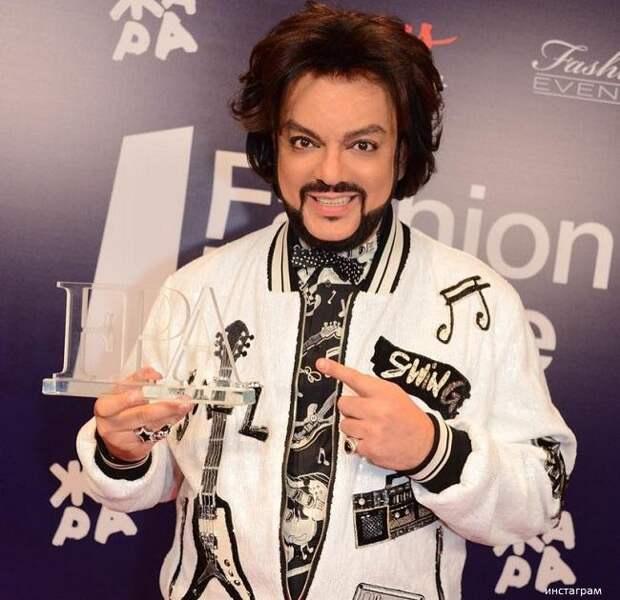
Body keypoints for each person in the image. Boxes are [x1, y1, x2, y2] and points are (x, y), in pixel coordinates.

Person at [77, 3, 576, 599]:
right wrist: (123, 446)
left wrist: (432, 450)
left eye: (363, 145)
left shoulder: (481, 302)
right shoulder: (199, 287)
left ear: (402, 153)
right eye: (304, 141)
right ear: (274, 147)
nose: (330, 173)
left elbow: (541, 497)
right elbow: (153, 477)